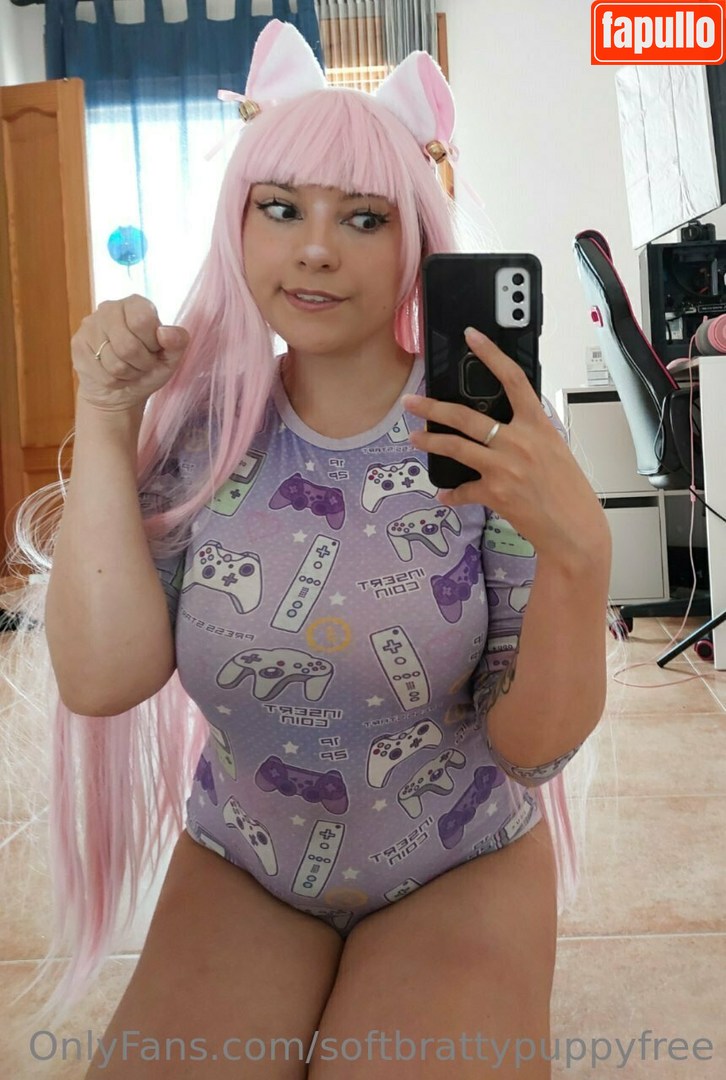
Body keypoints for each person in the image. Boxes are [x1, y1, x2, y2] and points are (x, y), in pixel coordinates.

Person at [4, 20, 611, 1079]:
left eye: (364, 217)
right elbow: (102, 681)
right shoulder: (201, 430)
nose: (316, 248)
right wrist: (105, 419)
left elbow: (532, 749)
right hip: (245, 862)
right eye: (281, 208)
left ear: (416, 239)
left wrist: (581, 561)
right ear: (237, 224)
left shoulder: (490, 441)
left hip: (459, 862)